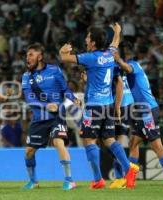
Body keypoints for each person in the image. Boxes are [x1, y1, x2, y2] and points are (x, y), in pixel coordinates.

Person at [59, 23, 139, 189]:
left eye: (88, 37)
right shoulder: (110, 54)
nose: (86, 40)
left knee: (89, 140)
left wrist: (62, 51)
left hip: (94, 106)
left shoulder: (91, 57)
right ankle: (128, 170)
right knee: (109, 139)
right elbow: (115, 44)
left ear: (93, 43)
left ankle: (97, 179)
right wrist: (117, 32)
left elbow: (65, 59)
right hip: (108, 105)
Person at [113, 41, 163, 188]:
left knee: (157, 146)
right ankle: (131, 179)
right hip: (142, 111)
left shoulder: (134, 65)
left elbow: (126, 67)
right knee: (133, 143)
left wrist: (117, 59)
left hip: (148, 111)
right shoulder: (129, 68)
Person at [22, 43, 80, 190]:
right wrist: (45, 106)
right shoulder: (26, 76)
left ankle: (69, 180)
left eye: (31, 55)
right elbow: (29, 98)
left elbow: (65, 89)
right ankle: (33, 181)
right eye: (27, 55)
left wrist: (73, 98)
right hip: (39, 118)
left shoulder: (55, 70)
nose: (27, 58)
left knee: (58, 142)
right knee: (29, 152)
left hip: (57, 115)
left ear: (40, 56)